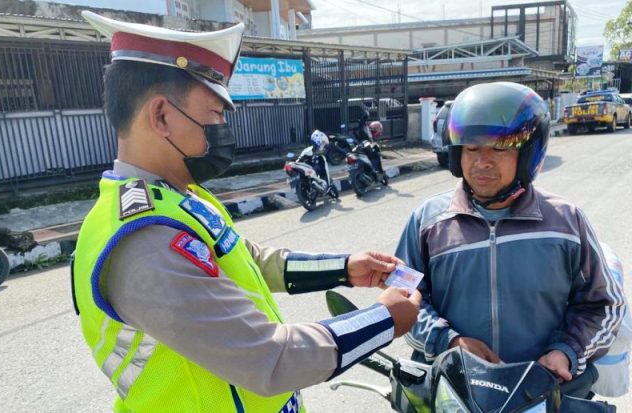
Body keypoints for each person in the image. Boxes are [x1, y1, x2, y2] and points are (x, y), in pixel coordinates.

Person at [72, 11, 421, 413]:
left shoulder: (180, 197)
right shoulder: (144, 241)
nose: (223, 128)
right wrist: (383, 321)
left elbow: (247, 259)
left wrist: (344, 267)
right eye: (214, 114)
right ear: (162, 116)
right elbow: (270, 359)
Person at [395, 82, 625, 394]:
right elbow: (402, 297)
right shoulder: (428, 221)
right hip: (456, 391)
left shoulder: (566, 222)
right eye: (471, 148)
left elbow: (604, 305)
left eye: (500, 148)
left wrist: (566, 352)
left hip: (542, 391)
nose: (482, 162)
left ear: (530, 154)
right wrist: (448, 341)